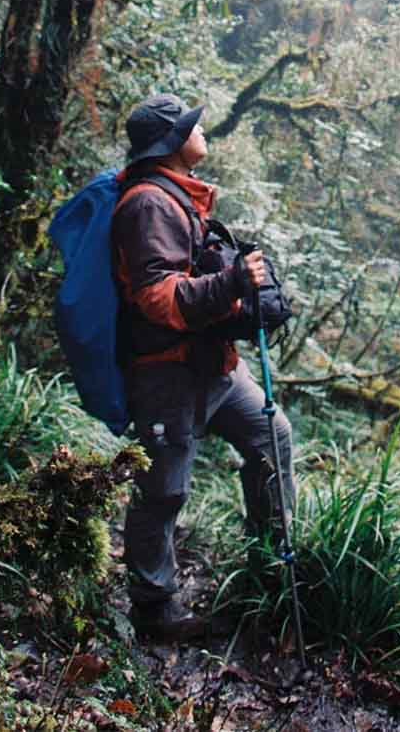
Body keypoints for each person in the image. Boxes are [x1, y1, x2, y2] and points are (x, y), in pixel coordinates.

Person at [112, 92, 295, 643]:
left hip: (212, 365)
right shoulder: (148, 204)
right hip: (166, 373)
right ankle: (155, 609)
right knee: (164, 488)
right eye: (193, 126)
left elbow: (197, 281)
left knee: (272, 437)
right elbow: (160, 298)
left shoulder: (181, 198)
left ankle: (270, 565)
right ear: (171, 144)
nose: (202, 131)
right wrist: (233, 283)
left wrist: (246, 303)